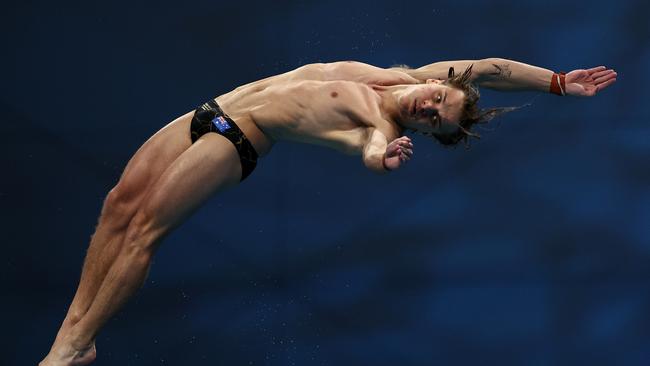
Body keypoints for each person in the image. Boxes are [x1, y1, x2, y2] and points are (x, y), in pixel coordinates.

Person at [40, 58, 616, 365]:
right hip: (212, 110)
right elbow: (491, 67)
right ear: (439, 84)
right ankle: (74, 333)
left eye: (432, 120)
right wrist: (560, 83)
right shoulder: (407, 76)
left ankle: (75, 345)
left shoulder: (380, 125)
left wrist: (384, 158)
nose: (429, 107)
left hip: (239, 136)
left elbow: (369, 152)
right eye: (440, 99)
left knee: (144, 231)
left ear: (421, 130)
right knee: (118, 206)